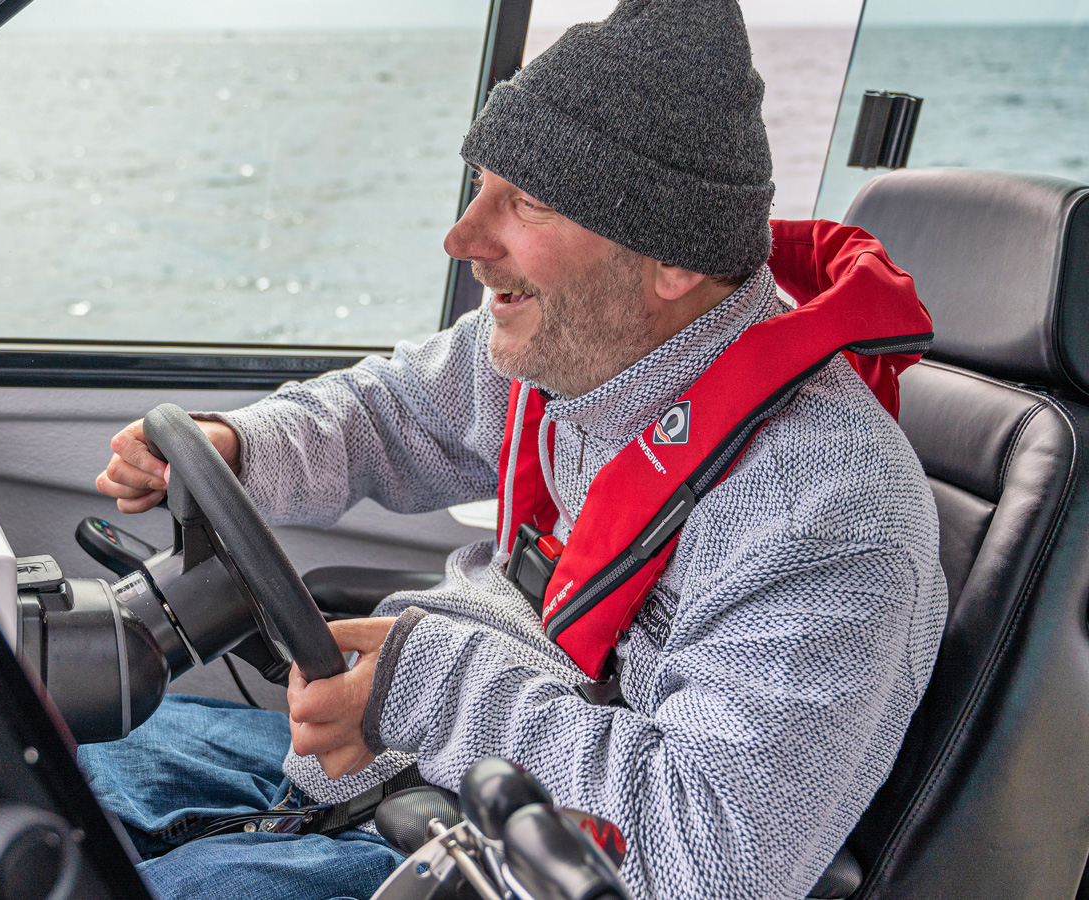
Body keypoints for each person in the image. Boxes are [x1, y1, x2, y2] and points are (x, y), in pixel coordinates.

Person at [86, 1, 948, 898]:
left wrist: (426, 686)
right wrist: (241, 447)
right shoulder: (578, 345)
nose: (463, 241)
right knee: (58, 759)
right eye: (483, 185)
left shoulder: (830, 504)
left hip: (518, 862)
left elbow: (711, 856)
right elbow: (393, 413)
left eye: (526, 203)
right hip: (400, 778)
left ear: (675, 259)